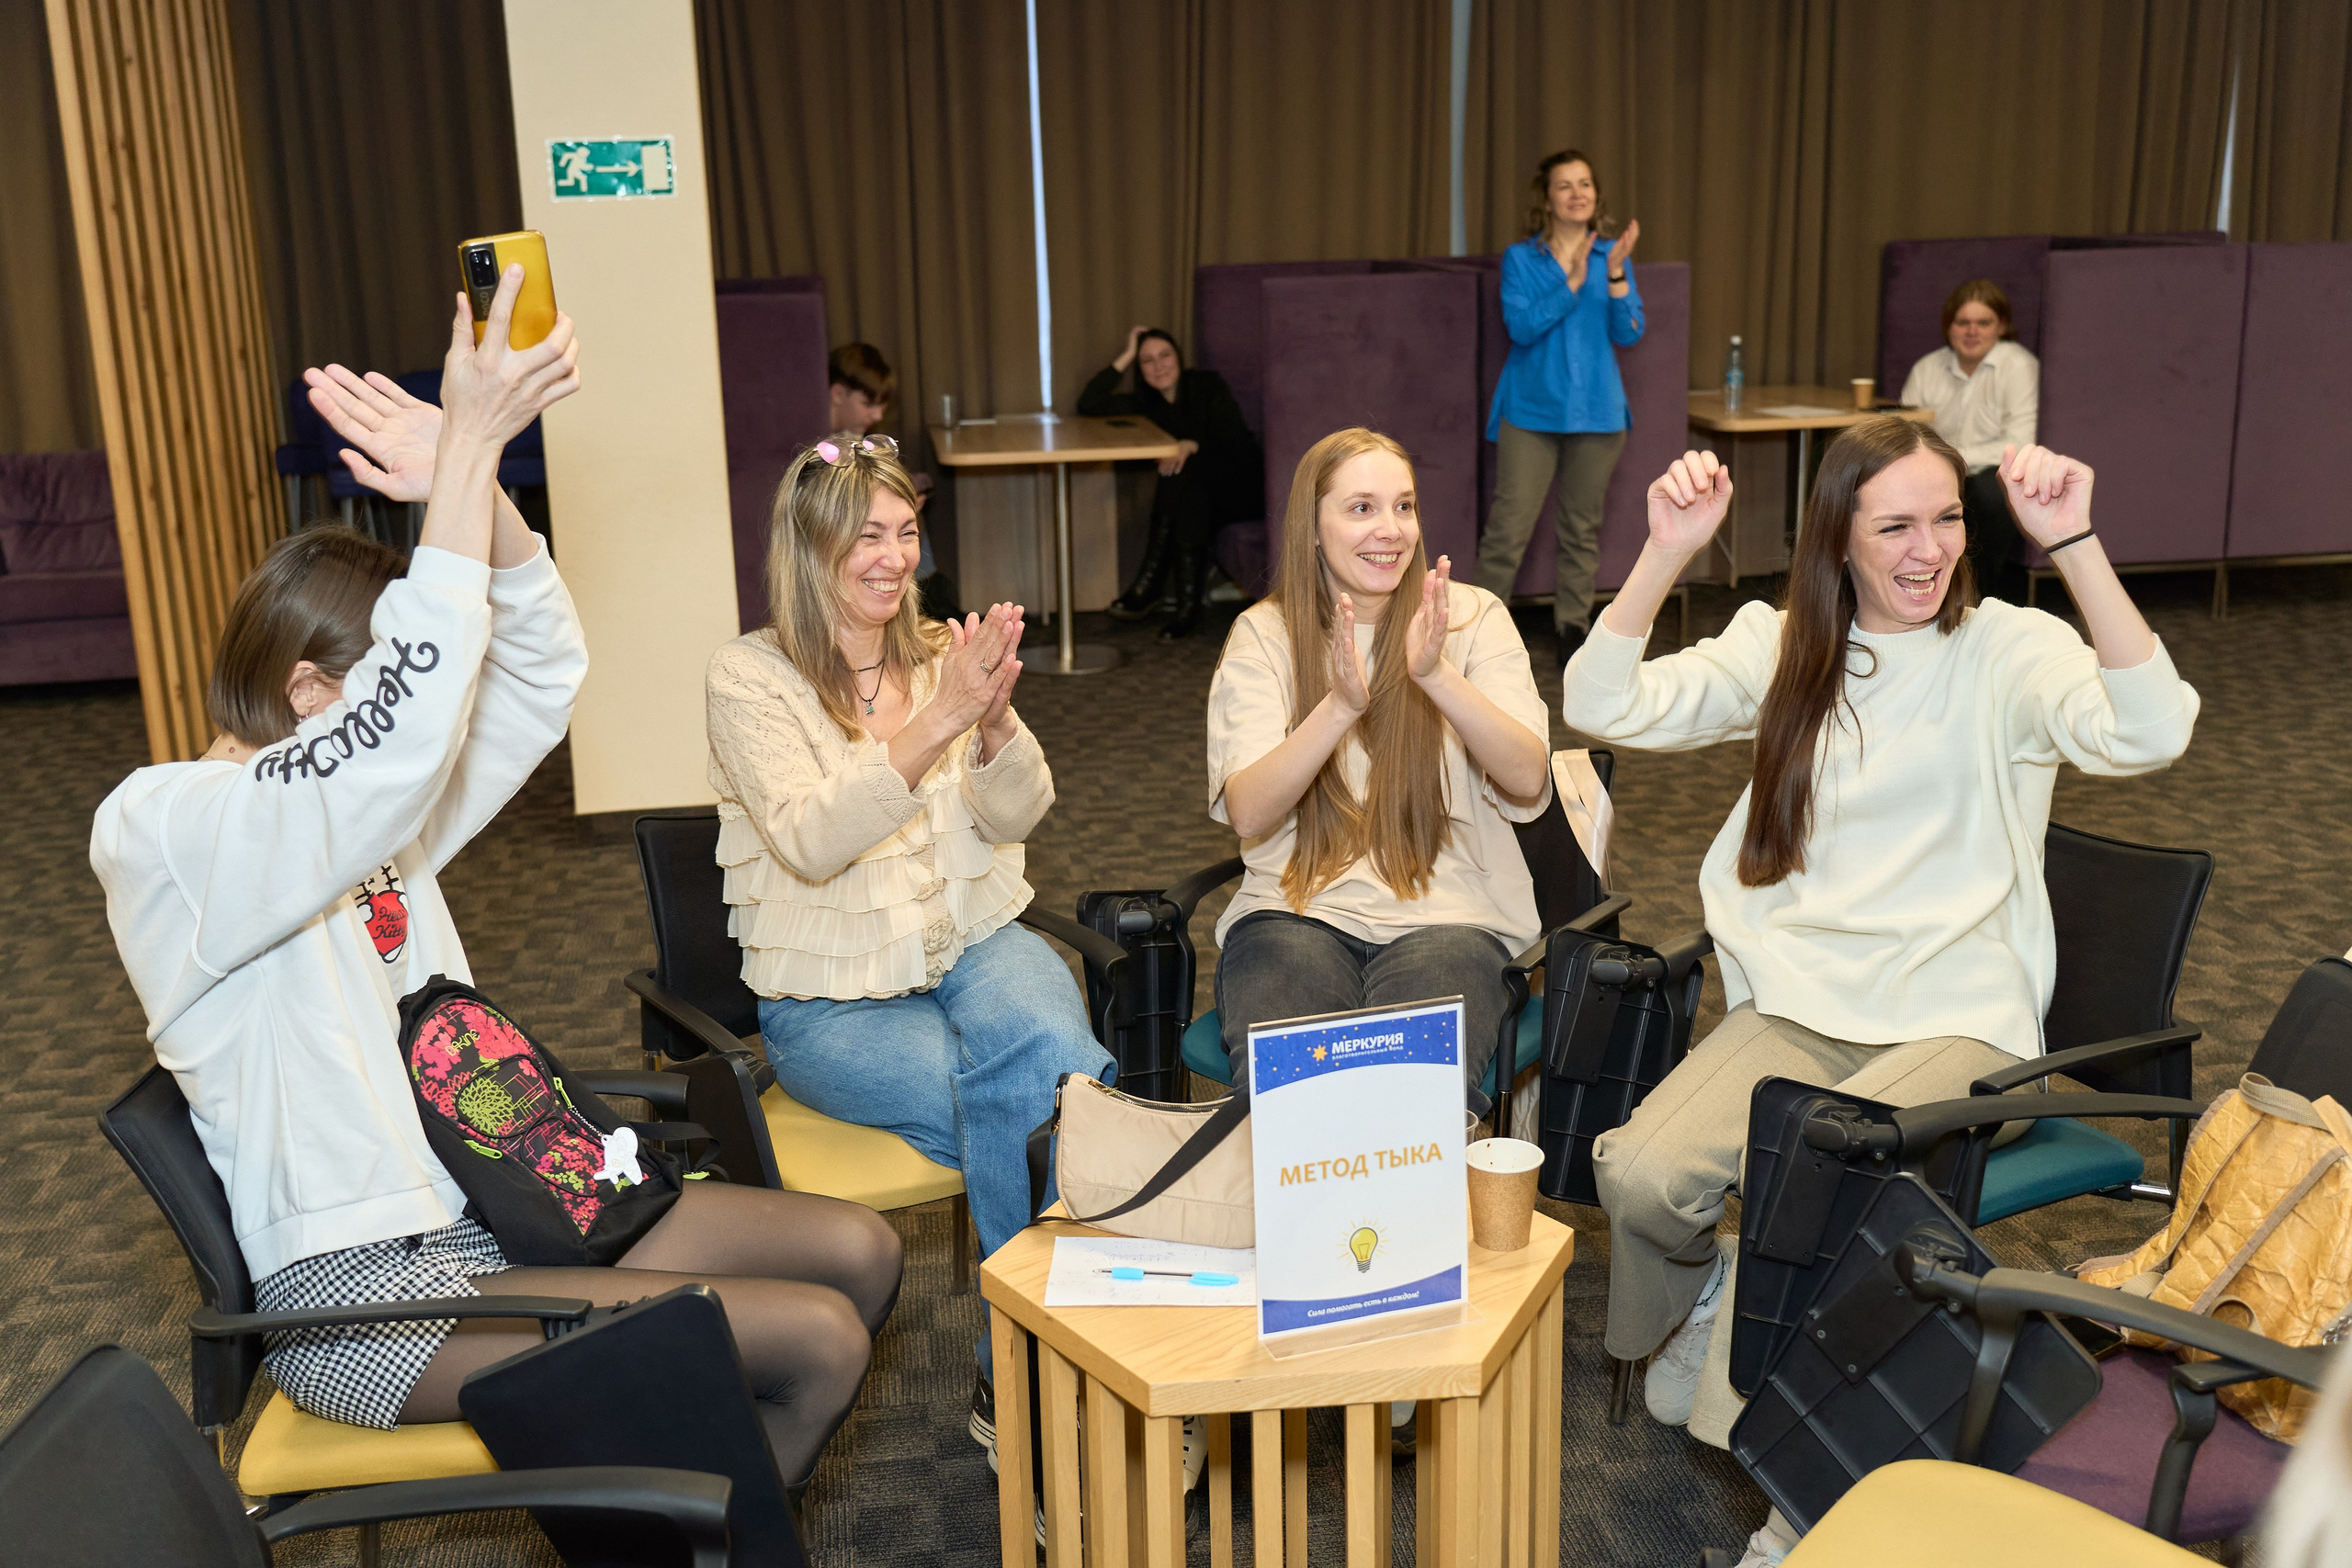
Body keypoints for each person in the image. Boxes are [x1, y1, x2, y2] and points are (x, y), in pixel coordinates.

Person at [87, 272, 902, 1500]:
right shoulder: (165, 827)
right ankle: (682, 1522)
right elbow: (399, 740)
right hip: (361, 1297)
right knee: (815, 1336)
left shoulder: (367, 823)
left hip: (497, 1195)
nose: (435, 728)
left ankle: (666, 1503)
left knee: (859, 1246)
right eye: (392, 697)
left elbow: (537, 671)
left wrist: (474, 492)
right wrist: (469, 445)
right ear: (313, 693)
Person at [1562, 417, 2198, 1567]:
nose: (1927, 550)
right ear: (1838, 542)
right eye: (1893, 525)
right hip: (1802, 1005)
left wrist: (2077, 544)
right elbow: (1601, 707)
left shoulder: (2007, 648)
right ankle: (1709, 1308)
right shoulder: (1785, 643)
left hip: (1959, 1020)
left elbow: (2154, 730)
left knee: (1821, 1192)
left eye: (1946, 518)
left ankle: (1788, 1506)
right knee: (1643, 1175)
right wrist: (1661, 554)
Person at [702, 431, 1114, 1460]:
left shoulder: (941, 658)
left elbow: (1021, 817)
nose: (893, 557)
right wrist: (941, 719)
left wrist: (995, 726)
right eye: (865, 537)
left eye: (905, 531)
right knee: (1059, 1108)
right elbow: (807, 838)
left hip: (975, 942)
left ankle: (1013, 1363)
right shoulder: (748, 679)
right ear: (809, 548)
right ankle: (1047, 1364)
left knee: (1043, 1075)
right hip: (831, 1004)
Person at [1207, 427, 1553, 1108]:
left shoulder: (1473, 619)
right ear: (1313, 525)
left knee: (1409, 1110)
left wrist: (1437, 676)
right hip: (1293, 912)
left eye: (1404, 506)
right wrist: (1338, 707)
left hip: (1451, 920)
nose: (1390, 530)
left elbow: (1529, 778)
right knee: (1295, 1106)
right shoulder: (1265, 634)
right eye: (1361, 507)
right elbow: (1249, 808)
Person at [1471, 149, 1645, 660]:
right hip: (1530, 413)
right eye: (1565, 185)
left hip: (1599, 414)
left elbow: (1630, 331)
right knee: (1508, 529)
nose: (1577, 194)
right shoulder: (1522, 259)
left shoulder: (1612, 256)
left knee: (1581, 528)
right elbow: (1521, 328)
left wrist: (1613, 276)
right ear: (1546, 199)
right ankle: (1477, 632)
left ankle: (1573, 625)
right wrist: (1570, 283)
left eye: (1585, 184)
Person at [1077, 325, 1263, 640]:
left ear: (1178, 357)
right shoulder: (1145, 405)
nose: (1159, 365)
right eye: (1147, 360)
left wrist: (1192, 445)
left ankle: (1153, 585)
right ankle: (1186, 607)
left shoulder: (1206, 385)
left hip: (1242, 486)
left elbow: (1235, 441)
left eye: (1165, 355)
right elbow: (1089, 403)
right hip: (1200, 496)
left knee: (1186, 473)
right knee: (1189, 490)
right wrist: (1126, 355)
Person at [1899, 279, 2040, 600]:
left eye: (1983, 322)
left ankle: (1978, 597)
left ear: (2001, 326)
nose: (1971, 331)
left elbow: (2017, 445)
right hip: (1933, 467)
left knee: (1988, 493)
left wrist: (1953, 458)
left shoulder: (2019, 367)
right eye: (1963, 322)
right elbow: (1905, 434)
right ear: (1949, 326)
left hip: (1996, 469)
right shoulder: (1927, 368)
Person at [831, 341, 956, 618]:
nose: (877, 415)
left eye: (881, 406)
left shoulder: (853, 437)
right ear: (838, 393)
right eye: (867, 404)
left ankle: (930, 593)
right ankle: (929, 599)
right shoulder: (826, 450)